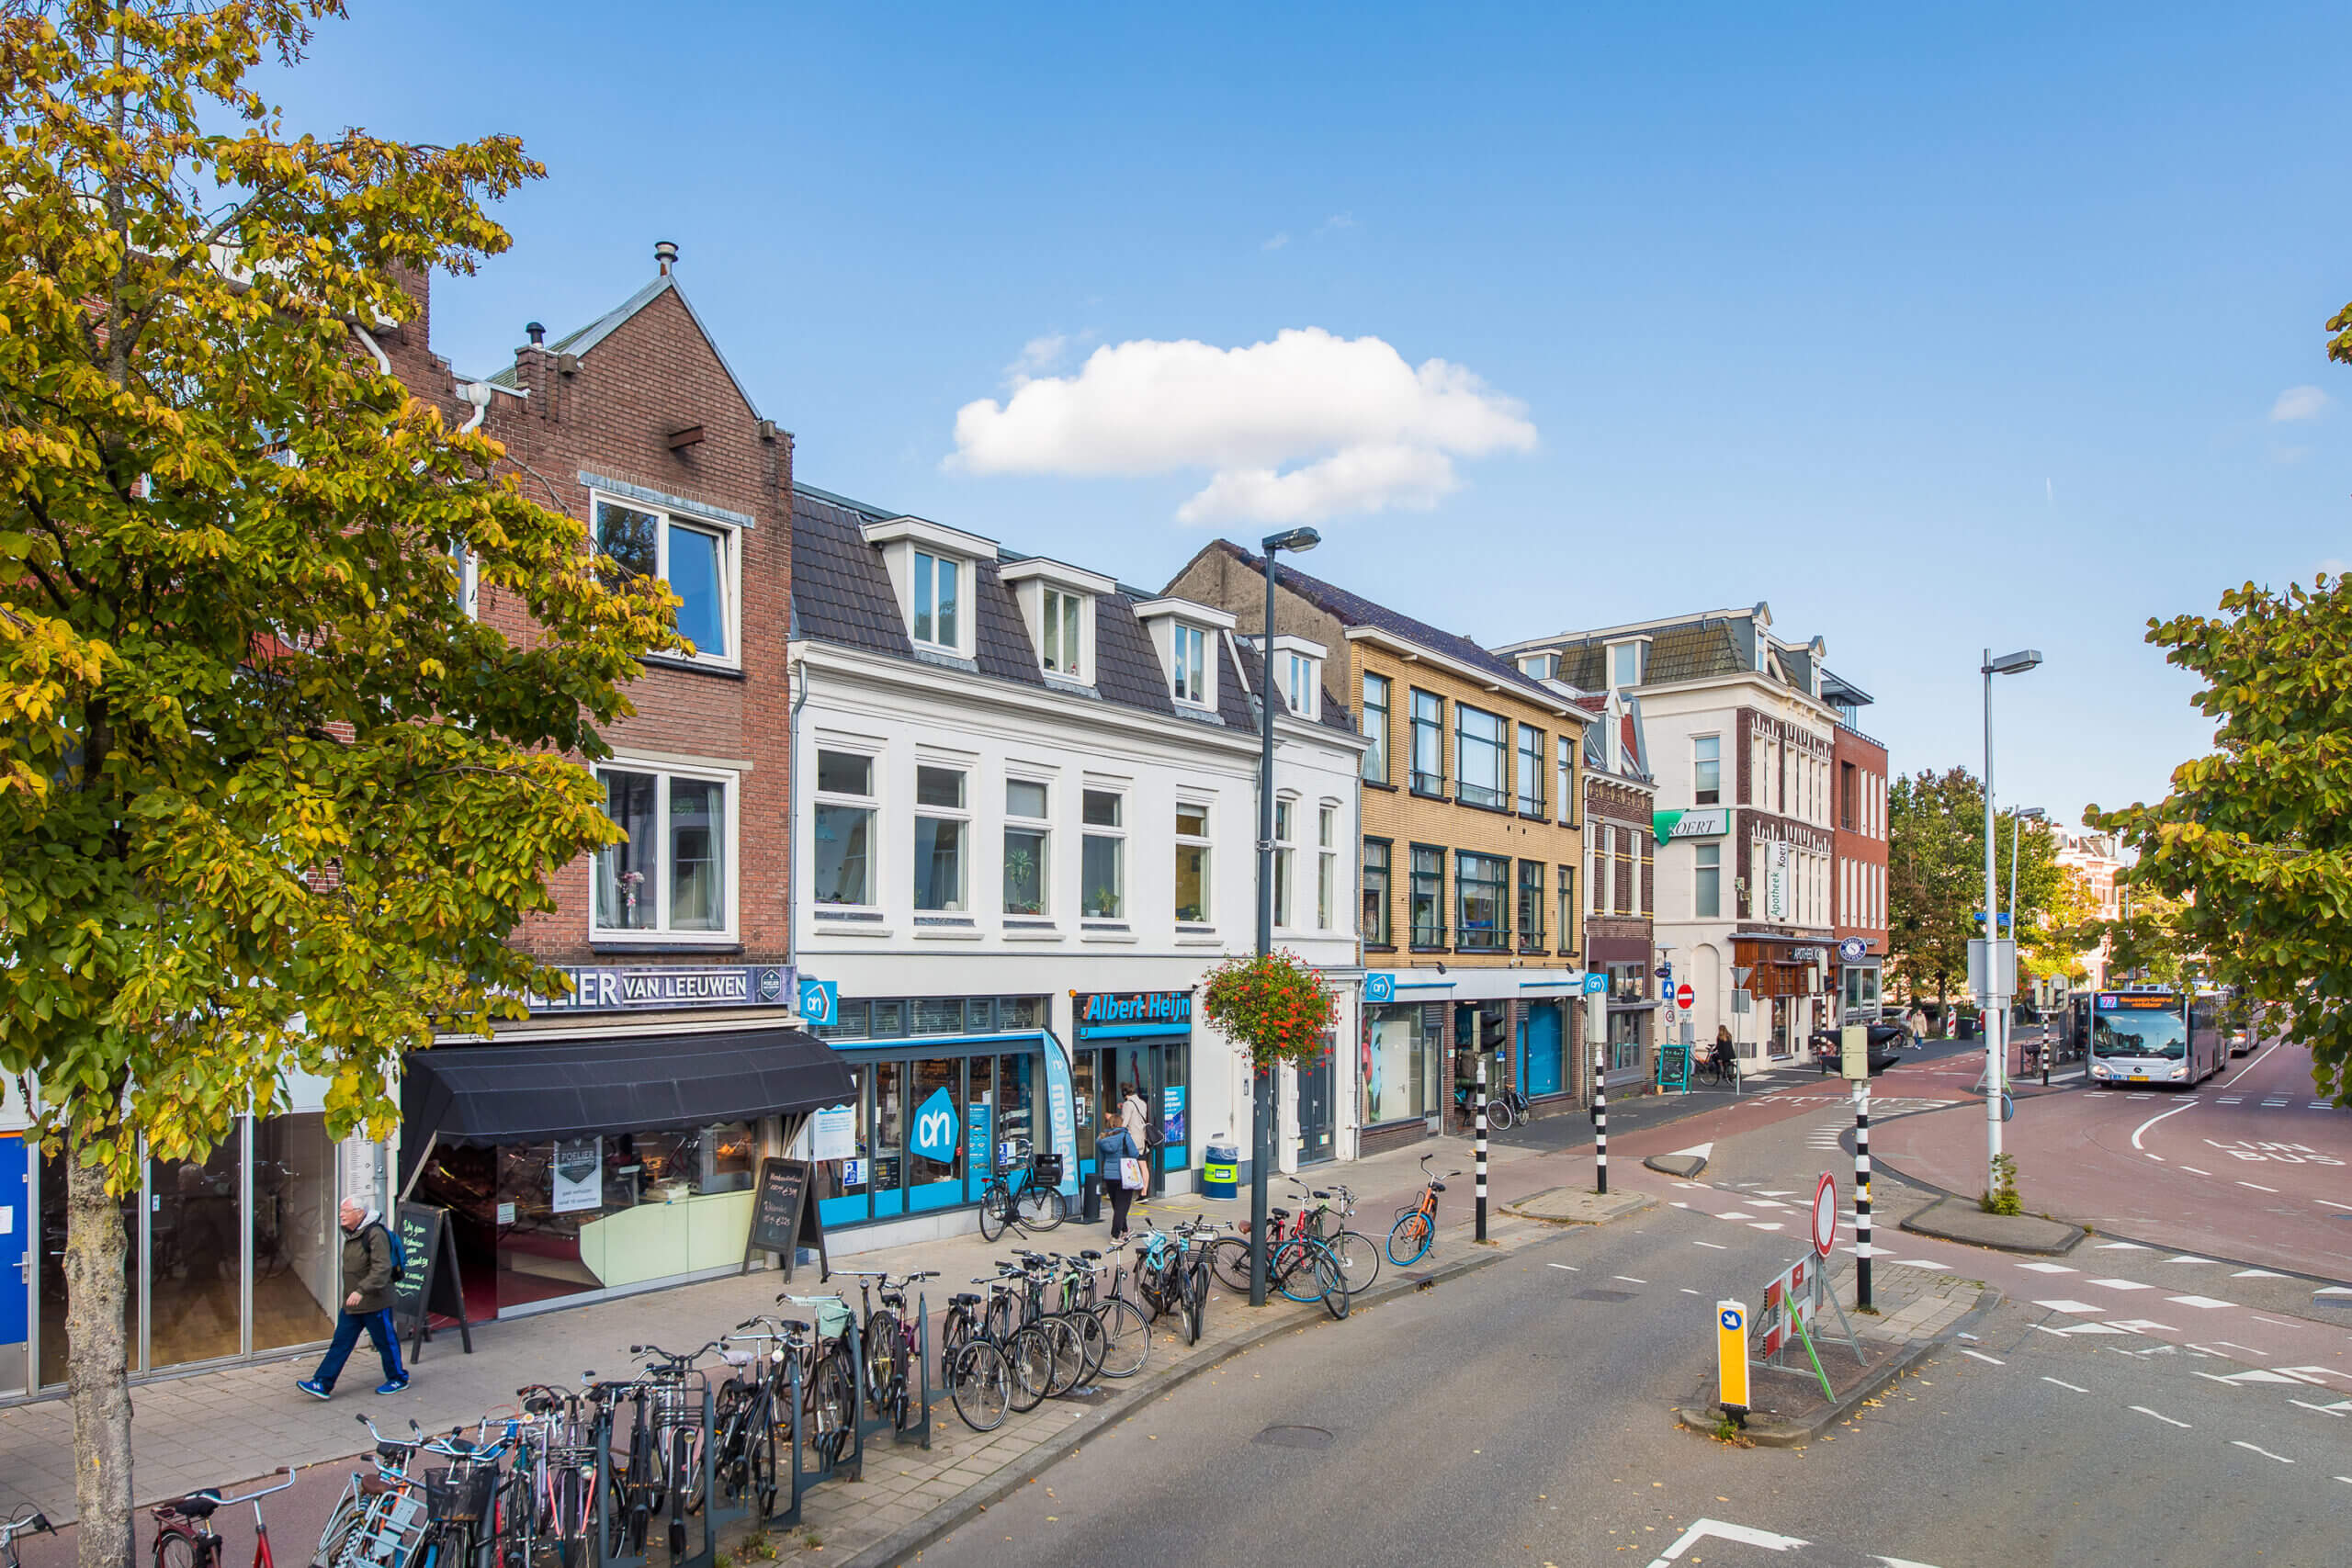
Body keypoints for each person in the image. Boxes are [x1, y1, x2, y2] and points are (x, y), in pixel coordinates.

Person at [297, 1198, 407, 1399]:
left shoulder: (375, 1234)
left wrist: (361, 1290)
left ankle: (398, 1378)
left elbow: (381, 1268)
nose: (341, 1214)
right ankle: (322, 1383)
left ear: (359, 1213)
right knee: (341, 1342)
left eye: (345, 1210)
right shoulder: (353, 1234)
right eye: (341, 1210)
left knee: (385, 1342)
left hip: (375, 1302)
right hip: (353, 1304)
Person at [1096, 1111, 1144, 1241]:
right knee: (1122, 1207)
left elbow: (1102, 1156)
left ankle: (1125, 1230)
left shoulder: (1102, 1138)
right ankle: (1115, 1235)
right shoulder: (1124, 1136)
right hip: (1125, 1175)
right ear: (1120, 1123)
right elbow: (1134, 1153)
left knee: (1117, 1206)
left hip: (1109, 1175)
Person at [1119, 1081, 1153, 1199]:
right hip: (1142, 1139)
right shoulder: (1142, 1103)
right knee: (1143, 1165)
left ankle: (1123, 1189)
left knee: (1125, 1164)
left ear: (1123, 1092)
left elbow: (1124, 1123)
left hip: (1132, 1140)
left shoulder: (1128, 1105)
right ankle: (1144, 1193)